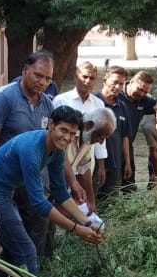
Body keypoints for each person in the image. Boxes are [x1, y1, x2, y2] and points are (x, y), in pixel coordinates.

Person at [0, 106, 104, 277]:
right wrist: (76, 229)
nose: (67, 138)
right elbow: (39, 203)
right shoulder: (32, 149)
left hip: (8, 191)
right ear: (51, 124)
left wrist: (87, 223)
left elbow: (60, 192)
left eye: (72, 134)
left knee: (14, 252)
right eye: (63, 130)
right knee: (27, 250)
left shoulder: (58, 150)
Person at [0, 51, 56, 255]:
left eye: (48, 78)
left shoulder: (47, 104)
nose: (43, 82)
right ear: (25, 70)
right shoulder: (4, 98)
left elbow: (50, 144)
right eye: (38, 75)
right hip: (8, 182)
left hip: (34, 183)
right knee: (5, 239)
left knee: (33, 239)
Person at [53, 62, 110, 210]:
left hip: (85, 158)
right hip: (61, 159)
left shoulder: (98, 104)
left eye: (92, 78)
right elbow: (52, 134)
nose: (88, 81)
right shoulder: (61, 100)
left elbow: (99, 139)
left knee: (82, 202)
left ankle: (78, 228)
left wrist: (101, 165)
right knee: (60, 202)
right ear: (75, 78)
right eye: (84, 76)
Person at [62, 103, 116, 214]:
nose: (101, 142)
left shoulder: (88, 136)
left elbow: (84, 168)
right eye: (100, 136)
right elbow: (60, 157)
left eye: (104, 138)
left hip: (57, 185)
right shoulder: (69, 127)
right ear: (88, 125)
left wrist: (91, 201)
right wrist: (74, 183)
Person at [116, 70, 157, 192]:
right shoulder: (115, 95)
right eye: (140, 89)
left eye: (146, 92)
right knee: (108, 186)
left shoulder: (144, 100)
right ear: (131, 81)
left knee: (129, 187)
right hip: (108, 147)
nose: (142, 94)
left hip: (128, 146)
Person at [94, 65, 129, 201]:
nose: (118, 87)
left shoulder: (122, 106)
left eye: (121, 84)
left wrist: (127, 162)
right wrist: (100, 165)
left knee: (111, 203)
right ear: (105, 80)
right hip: (95, 164)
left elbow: (125, 136)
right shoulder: (94, 102)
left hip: (116, 162)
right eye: (115, 82)